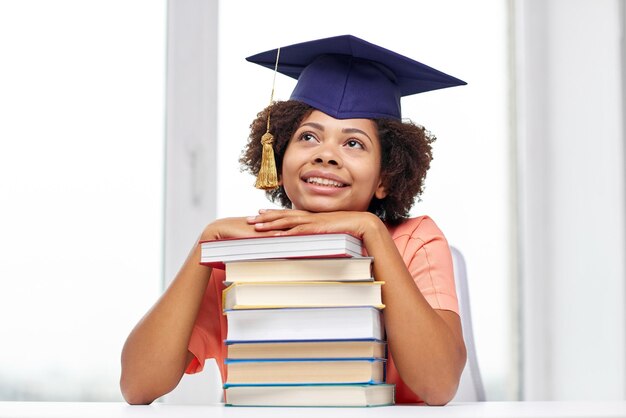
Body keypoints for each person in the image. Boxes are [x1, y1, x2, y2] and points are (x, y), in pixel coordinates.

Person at [120, 34, 467, 406]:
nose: (326, 155)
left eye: (353, 143)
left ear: (385, 176)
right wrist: (206, 244)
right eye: (308, 137)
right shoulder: (239, 256)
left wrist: (372, 232)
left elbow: (439, 385)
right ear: (279, 157)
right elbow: (138, 385)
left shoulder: (415, 242)